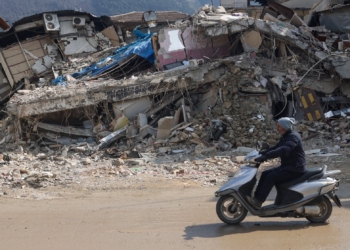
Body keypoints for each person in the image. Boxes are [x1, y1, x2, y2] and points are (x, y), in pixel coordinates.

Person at [246, 117, 306, 209]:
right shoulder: (285, 136)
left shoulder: (293, 137)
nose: (277, 129)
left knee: (271, 177)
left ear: (284, 127)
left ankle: (258, 201)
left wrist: (266, 156)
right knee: (265, 173)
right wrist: (262, 153)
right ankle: (256, 198)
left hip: (295, 168)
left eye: (279, 126)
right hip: (288, 166)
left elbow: (284, 149)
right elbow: (276, 147)